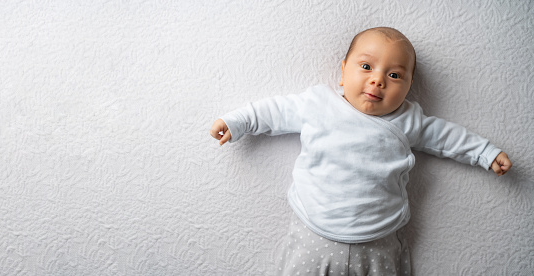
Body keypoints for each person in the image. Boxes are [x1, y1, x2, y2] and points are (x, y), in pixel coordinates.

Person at [209, 27, 512, 275]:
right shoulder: (318, 104)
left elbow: (448, 138)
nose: (378, 79)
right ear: (342, 73)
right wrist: (237, 122)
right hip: (314, 232)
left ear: (408, 87)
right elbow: (273, 112)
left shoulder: (409, 120)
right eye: (366, 67)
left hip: (378, 241)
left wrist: (486, 153)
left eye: (395, 75)